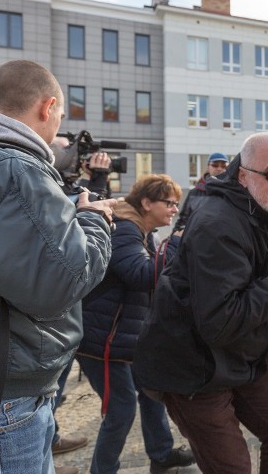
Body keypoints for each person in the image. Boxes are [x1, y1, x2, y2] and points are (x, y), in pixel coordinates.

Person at [0, 59, 115, 474]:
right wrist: (93, 220)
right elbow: (61, 283)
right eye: (61, 116)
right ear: (48, 107)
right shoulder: (14, 170)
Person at [132, 132, 268, 474]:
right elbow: (220, 320)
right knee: (232, 468)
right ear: (243, 175)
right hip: (193, 368)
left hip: (239, 356)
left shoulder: (257, 206)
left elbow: (250, 274)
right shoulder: (218, 223)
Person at [76, 174, 195, 474]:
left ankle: (162, 454)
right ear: (145, 202)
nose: (173, 210)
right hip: (102, 340)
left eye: (176, 204)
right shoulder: (125, 229)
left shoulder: (141, 229)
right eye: (169, 203)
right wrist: (175, 247)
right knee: (121, 409)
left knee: (152, 389)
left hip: (124, 338)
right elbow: (142, 275)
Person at [174, 151, 229, 230]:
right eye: (215, 165)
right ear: (208, 167)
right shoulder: (194, 193)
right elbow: (183, 219)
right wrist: (175, 237)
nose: (219, 169)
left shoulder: (232, 191)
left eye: (224, 166)